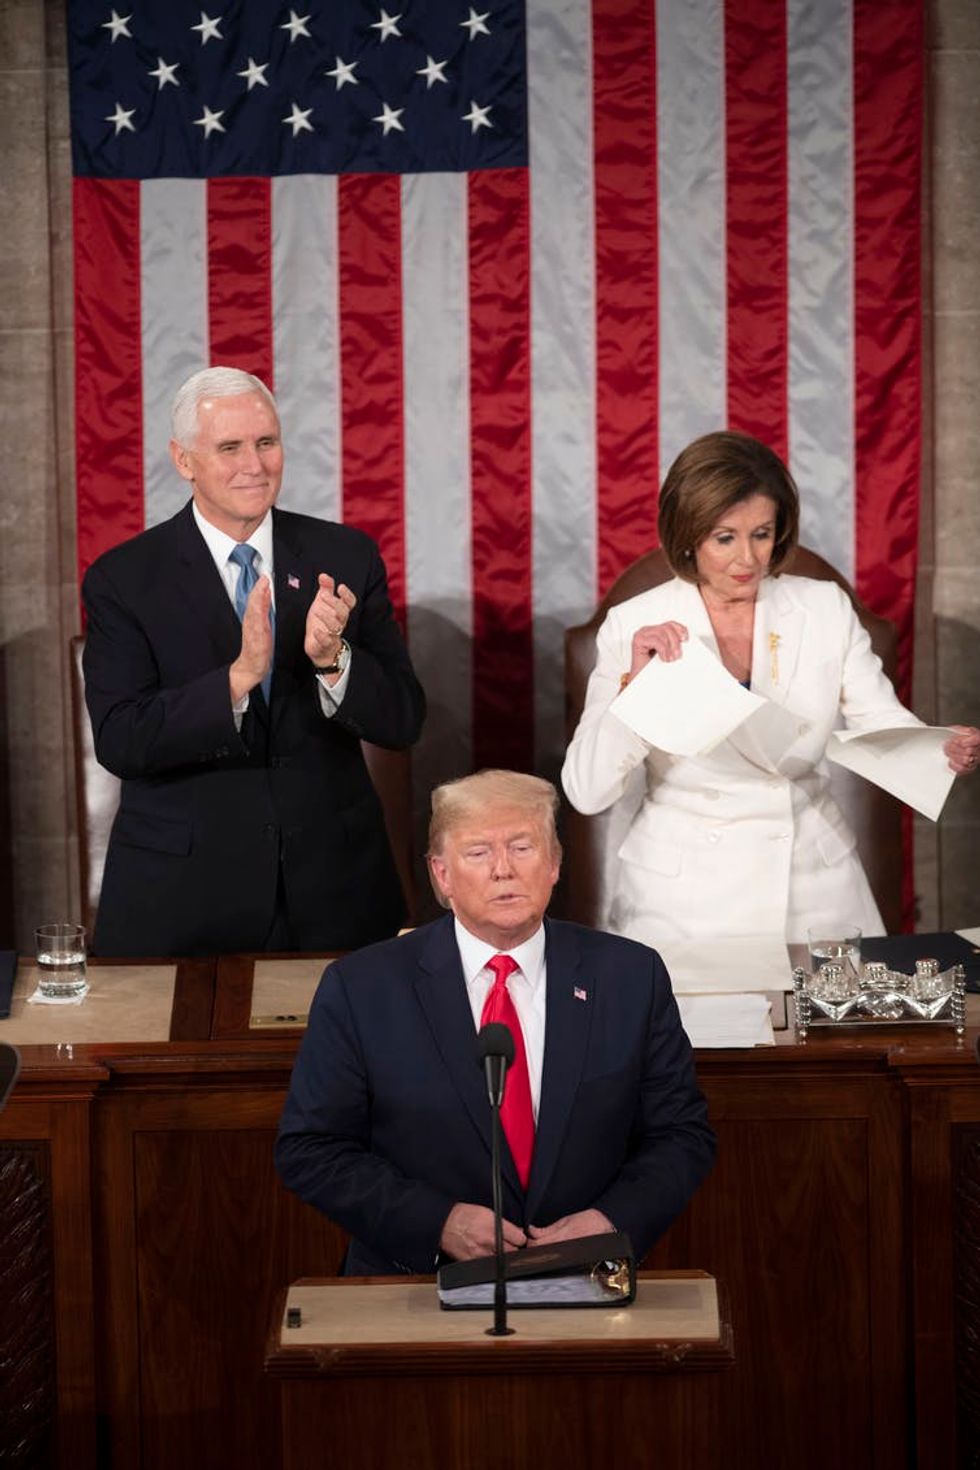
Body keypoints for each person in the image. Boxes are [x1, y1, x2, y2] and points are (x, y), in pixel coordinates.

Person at [275, 770, 715, 1274]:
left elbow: (682, 1135)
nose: (503, 870)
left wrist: (612, 1222)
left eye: (522, 848)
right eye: (479, 852)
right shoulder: (362, 987)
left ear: (554, 863)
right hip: (417, 1284)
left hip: (587, 1279)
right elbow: (311, 1149)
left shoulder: (630, 976)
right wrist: (437, 1223)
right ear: (442, 875)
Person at [562, 431, 980, 945]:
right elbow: (586, 790)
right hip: (682, 901)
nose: (748, 559)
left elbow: (881, 720)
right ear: (688, 534)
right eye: (725, 538)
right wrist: (637, 690)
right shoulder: (634, 623)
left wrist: (937, 748)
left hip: (815, 887)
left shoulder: (824, 607)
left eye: (761, 534)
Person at [82, 366, 425, 956]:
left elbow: (403, 720)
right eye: (230, 447)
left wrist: (334, 660)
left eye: (266, 442)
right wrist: (237, 680)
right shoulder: (124, 578)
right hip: (186, 899)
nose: (255, 464)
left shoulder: (345, 555)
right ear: (183, 460)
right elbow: (122, 740)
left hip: (337, 892)